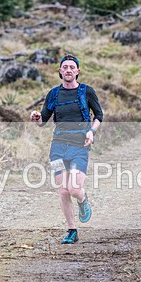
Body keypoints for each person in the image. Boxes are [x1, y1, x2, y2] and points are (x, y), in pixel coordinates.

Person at [30, 54, 103, 244]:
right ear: (60, 71)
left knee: (74, 188)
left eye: (72, 67)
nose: (68, 70)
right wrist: (37, 118)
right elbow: (43, 121)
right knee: (63, 190)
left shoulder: (87, 91)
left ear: (78, 71)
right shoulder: (54, 94)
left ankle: (83, 199)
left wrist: (91, 132)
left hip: (80, 145)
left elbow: (99, 116)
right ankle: (72, 230)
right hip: (58, 146)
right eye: (65, 67)